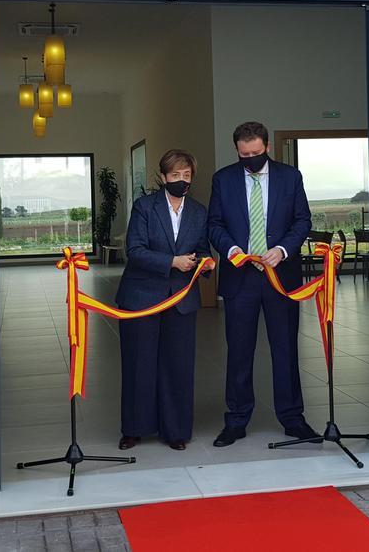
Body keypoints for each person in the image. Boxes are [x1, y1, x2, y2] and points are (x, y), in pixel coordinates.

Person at [207, 121, 317, 448]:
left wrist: (282, 250)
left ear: (267, 147)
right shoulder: (223, 180)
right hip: (240, 279)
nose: (250, 159)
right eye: (244, 155)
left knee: (285, 350)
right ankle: (237, 420)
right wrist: (232, 250)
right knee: (239, 352)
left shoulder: (290, 177)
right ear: (237, 151)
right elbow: (215, 224)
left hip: (280, 278)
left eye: (256, 153)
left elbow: (302, 220)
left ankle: (293, 418)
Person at [114, 149, 211, 451]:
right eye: (174, 175)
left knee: (178, 365)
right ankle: (134, 428)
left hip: (181, 299)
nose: (180, 180)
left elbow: (203, 248)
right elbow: (136, 250)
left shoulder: (198, 211)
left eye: (186, 176)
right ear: (163, 177)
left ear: (191, 178)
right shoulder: (145, 207)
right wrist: (172, 261)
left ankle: (176, 430)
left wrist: (206, 263)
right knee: (139, 363)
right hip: (142, 296)